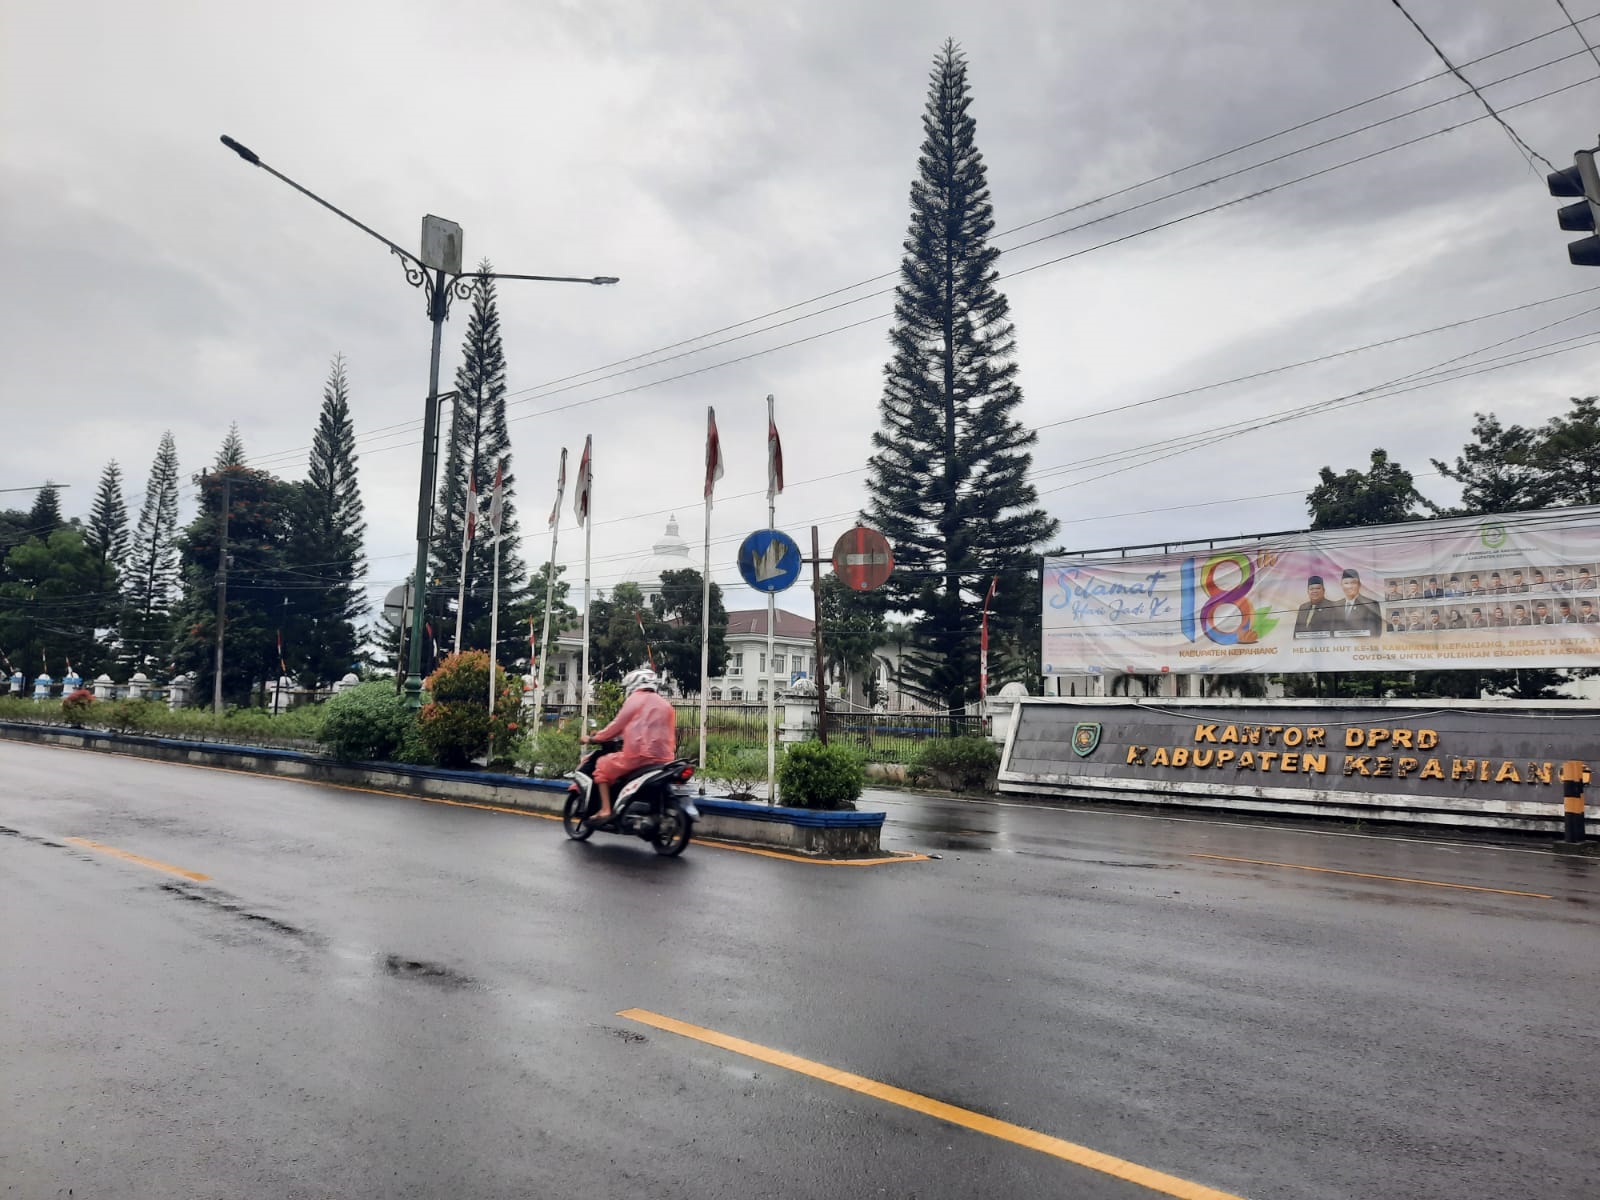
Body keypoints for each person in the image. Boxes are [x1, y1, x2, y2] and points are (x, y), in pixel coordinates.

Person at [578, 665, 677, 824]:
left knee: (602, 765)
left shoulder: (635, 700)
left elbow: (617, 725)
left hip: (638, 757)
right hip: (665, 759)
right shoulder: (665, 705)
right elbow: (644, 728)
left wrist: (593, 739)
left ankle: (605, 810)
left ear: (634, 684)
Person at [1332, 568, 1383, 637]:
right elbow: (1331, 631)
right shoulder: (1335, 605)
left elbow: (1373, 634)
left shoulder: (1371, 604)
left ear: (1359, 585)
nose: (1349, 586)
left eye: (1353, 583)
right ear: (1341, 585)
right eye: (1346, 583)